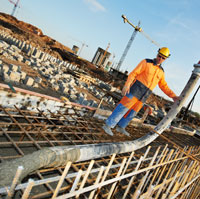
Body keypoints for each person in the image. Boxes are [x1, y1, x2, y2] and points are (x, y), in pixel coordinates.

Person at [102, 47, 179, 136]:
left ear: (165, 59)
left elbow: (163, 86)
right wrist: (127, 85)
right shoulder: (146, 62)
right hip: (135, 90)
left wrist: (173, 96)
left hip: (144, 95)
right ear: (157, 54)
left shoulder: (161, 72)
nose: (160, 59)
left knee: (132, 112)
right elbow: (133, 73)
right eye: (159, 56)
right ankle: (108, 125)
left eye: (163, 58)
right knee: (122, 108)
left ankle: (121, 127)